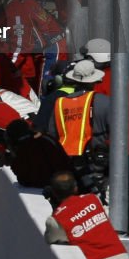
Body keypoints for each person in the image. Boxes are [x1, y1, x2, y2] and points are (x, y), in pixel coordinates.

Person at [44, 171, 129, 259]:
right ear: (75, 188)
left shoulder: (56, 219)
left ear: (54, 193)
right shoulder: (93, 199)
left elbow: (50, 238)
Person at [43, 60, 112, 196]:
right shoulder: (104, 101)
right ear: (95, 81)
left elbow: (52, 134)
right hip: (95, 164)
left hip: (65, 164)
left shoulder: (60, 103)